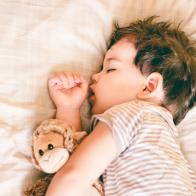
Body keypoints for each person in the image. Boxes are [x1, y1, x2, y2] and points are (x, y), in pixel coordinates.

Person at [46, 16, 196, 195]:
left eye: (110, 69)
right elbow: (89, 183)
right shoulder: (165, 149)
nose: (95, 76)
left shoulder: (134, 113)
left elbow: (73, 177)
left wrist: (68, 109)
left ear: (149, 86)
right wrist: (69, 108)